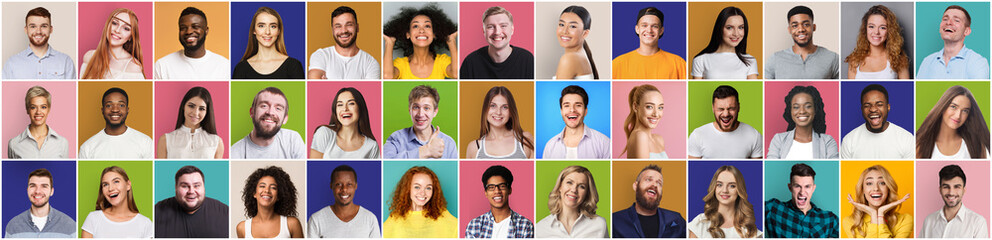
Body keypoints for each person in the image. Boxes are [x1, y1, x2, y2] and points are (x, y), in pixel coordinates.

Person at [382, 3, 458, 79]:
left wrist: (451, 41)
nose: (421, 30)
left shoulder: (442, 61)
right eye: (415, 26)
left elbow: (456, 74)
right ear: (408, 34)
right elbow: (387, 77)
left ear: (434, 34)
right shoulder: (401, 64)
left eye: (427, 26)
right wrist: (389, 43)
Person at [764, 163, 839, 238]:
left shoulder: (829, 219)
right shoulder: (773, 209)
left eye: (807, 186)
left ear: (813, 188)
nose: (802, 192)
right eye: (797, 186)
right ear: (790, 187)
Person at [840, 84, 914, 159]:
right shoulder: (849, 140)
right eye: (867, 105)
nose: (873, 109)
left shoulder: (906, 139)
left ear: (888, 107)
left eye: (879, 104)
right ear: (862, 109)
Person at [154, 7, 230, 79]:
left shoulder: (223, 65)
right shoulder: (162, 65)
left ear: (206, 31)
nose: (189, 32)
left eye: (195, 27)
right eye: (183, 28)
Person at [765, 6, 840, 79]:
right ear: (789, 30)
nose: (801, 29)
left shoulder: (832, 58)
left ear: (813, 27)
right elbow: (765, 89)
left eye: (806, 24)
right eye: (795, 26)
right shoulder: (775, 59)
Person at [688, 85, 763, 159]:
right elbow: (693, 169)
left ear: (738, 107)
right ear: (713, 108)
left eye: (731, 108)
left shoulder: (754, 136)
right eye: (720, 109)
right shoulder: (697, 135)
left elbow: (757, 169)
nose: (726, 114)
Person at [612, 165, 687, 238]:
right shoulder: (615, 221)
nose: (654, 185)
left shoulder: (676, 219)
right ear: (635, 186)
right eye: (648, 179)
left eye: (659, 183)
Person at [384, 85, 458, 159]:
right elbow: (384, 163)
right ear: (410, 110)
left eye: (426, 108)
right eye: (416, 107)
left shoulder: (449, 143)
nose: (420, 114)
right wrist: (426, 151)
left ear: (435, 112)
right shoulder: (396, 139)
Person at [916, 85, 990, 159]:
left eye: (965, 111)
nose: (958, 115)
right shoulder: (920, 145)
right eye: (953, 107)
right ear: (943, 106)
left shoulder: (976, 147)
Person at [383, 166, 458, 238]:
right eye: (417, 187)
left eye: (428, 188)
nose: (422, 193)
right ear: (407, 188)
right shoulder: (395, 218)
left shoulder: (442, 215)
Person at [154, 165, 229, 238]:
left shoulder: (225, 212)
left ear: (204, 187)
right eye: (185, 186)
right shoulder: (157, 212)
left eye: (196, 185)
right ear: (176, 187)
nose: (191, 191)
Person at [612, 7, 687, 79]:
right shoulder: (617, 64)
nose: (649, 30)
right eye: (644, 25)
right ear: (637, 29)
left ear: (661, 31)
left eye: (655, 26)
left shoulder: (678, 64)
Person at [687, 165, 761, 238]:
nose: (725, 190)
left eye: (732, 186)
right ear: (714, 188)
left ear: (739, 190)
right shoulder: (700, 223)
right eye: (719, 185)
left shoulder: (750, 231)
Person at [78, 87, 154, 159]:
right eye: (109, 105)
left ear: (127, 109)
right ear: (102, 110)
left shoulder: (145, 142)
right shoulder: (87, 147)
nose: (115, 110)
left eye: (121, 105)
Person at [232, 87, 306, 159]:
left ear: (285, 118)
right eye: (264, 106)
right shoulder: (234, 153)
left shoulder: (293, 140)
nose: (270, 112)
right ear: (252, 112)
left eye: (278, 108)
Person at [461, 6, 534, 79]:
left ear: (512, 30)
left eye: (503, 26)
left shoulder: (528, 60)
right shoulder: (470, 62)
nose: (497, 32)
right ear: (484, 31)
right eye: (490, 27)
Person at [308, 165, 381, 238]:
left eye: (349, 184)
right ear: (331, 186)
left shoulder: (370, 219)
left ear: (356, 186)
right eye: (338, 184)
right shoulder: (316, 220)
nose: (344, 189)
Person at [307, 6, 380, 79]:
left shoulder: (370, 63)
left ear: (357, 27)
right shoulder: (321, 55)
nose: (344, 31)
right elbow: (314, 87)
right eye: (338, 26)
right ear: (332, 30)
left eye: (349, 25)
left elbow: (368, 91)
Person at [535, 165, 608, 238]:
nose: (574, 190)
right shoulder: (540, 229)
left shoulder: (599, 224)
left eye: (581, 186)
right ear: (560, 186)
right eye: (569, 182)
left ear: (587, 193)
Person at [918, 5, 989, 79]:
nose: (948, 22)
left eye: (956, 20)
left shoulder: (978, 62)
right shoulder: (927, 61)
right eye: (945, 19)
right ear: (940, 28)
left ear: (966, 31)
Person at [767, 86, 839, 159]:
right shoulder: (779, 139)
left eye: (808, 106)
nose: (802, 111)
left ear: (815, 110)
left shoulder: (827, 141)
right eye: (796, 107)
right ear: (790, 111)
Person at [233, 7, 305, 79]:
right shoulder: (241, 68)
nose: (267, 32)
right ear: (254, 30)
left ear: (279, 31)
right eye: (261, 26)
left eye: (273, 26)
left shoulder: (294, 66)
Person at [3, 7, 75, 79]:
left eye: (44, 26)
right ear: (26, 30)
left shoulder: (66, 61)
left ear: (50, 29)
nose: (38, 31)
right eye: (33, 26)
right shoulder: (11, 63)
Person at [81, 166, 153, 238]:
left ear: (128, 185)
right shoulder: (93, 219)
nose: (110, 188)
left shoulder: (145, 224)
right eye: (105, 184)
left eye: (116, 181)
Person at [465, 165, 535, 238]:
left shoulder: (525, 225)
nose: (497, 191)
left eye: (502, 186)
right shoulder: (474, 226)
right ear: (486, 193)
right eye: (491, 187)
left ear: (509, 190)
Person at [920, 165, 989, 238]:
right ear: (940, 190)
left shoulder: (978, 222)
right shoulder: (929, 221)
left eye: (957, 187)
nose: (951, 192)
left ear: (963, 190)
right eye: (946, 187)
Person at [842, 165, 912, 238]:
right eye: (869, 183)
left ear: (888, 188)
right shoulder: (850, 222)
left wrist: (880, 215)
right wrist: (873, 215)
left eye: (882, 183)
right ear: (862, 189)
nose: (876, 188)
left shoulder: (905, 220)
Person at [542, 85, 610, 159]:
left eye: (578, 105)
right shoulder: (550, 146)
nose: (572, 110)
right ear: (561, 111)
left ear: (585, 111)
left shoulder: (604, 143)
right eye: (567, 105)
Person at [235, 166, 305, 238]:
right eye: (262, 186)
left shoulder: (291, 224)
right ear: (254, 193)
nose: (267, 190)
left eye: (273, 187)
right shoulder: (242, 228)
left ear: (279, 195)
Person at [466, 86, 535, 159]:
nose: (498, 112)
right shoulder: (473, 147)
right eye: (493, 106)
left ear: (511, 112)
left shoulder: (526, 140)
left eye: (504, 107)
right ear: (485, 109)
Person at [4, 169, 76, 238]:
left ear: (51, 191)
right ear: (27, 190)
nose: (37, 191)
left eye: (44, 186)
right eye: (33, 186)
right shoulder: (13, 226)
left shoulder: (70, 226)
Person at [310, 88, 379, 159]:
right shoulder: (324, 133)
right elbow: (314, 168)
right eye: (340, 105)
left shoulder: (372, 146)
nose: (345, 109)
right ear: (335, 110)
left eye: (351, 103)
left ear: (360, 108)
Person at [156, 86, 224, 159]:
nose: (195, 113)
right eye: (191, 106)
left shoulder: (216, 141)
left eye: (201, 109)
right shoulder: (165, 140)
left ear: (207, 112)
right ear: (183, 106)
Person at [844, 5, 910, 79]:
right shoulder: (854, 60)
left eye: (882, 27)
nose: (876, 32)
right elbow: (851, 90)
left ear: (889, 31)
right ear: (865, 29)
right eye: (871, 26)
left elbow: (905, 90)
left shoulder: (899, 59)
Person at [692, 6, 758, 79]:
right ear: (719, 28)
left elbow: (753, 90)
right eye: (729, 27)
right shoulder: (701, 60)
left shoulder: (750, 61)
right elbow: (696, 90)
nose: (736, 34)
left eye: (740, 27)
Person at [81, 8, 145, 79]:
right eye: (114, 23)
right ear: (107, 25)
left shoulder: (133, 67)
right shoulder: (89, 57)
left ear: (131, 37)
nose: (117, 30)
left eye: (126, 28)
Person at [7, 86, 69, 159]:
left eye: (43, 107)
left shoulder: (62, 143)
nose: (38, 112)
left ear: (48, 110)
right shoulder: (14, 144)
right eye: (33, 107)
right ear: (27, 109)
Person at [621, 85, 668, 159]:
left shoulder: (659, 139)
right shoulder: (640, 136)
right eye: (649, 107)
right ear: (635, 107)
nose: (656, 114)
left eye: (660, 107)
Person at [553, 6, 598, 79]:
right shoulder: (582, 54)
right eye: (561, 25)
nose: (564, 31)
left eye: (572, 26)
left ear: (585, 33)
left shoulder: (569, 59)